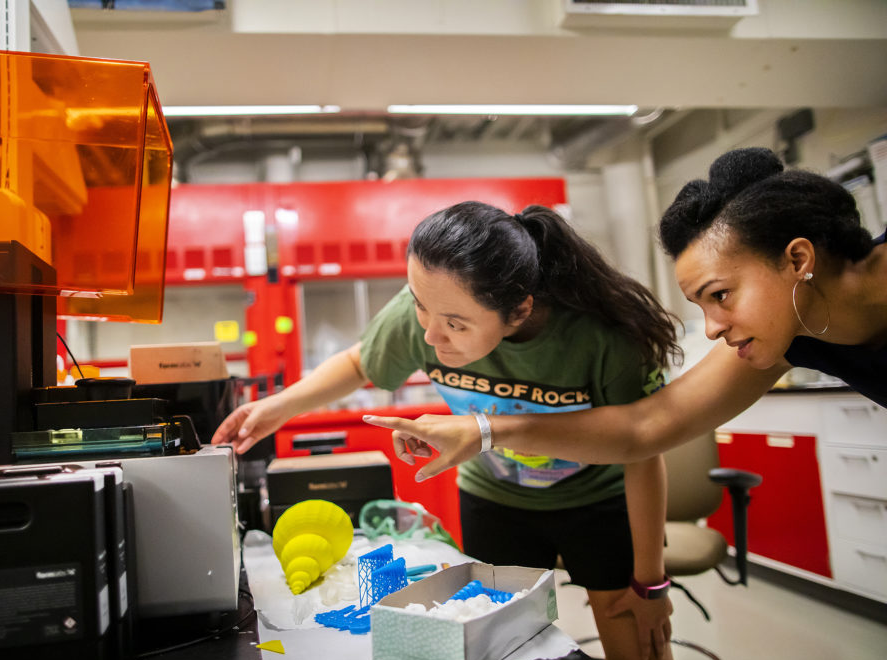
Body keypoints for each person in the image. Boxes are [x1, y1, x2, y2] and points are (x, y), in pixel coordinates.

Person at [214, 200, 681, 660]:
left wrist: (650, 585)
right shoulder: (428, 313)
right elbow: (361, 363)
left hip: (599, 502)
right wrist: (277, 409)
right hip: (496, 500)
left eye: (456, 324)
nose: (431, 336)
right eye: (419, 305)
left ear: (518, 311)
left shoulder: (600, 338)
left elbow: (643, 452)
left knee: (639, 656)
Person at [363, 147, 887, 483]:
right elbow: (648, 426)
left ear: (798, 260)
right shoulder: (794, 331)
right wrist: (484, 430)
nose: (712, 326)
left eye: (721, 295)